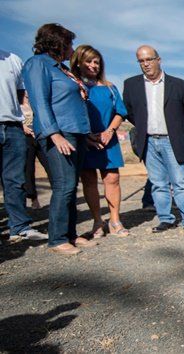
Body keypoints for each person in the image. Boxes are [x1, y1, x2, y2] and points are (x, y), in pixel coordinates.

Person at [22, 24, 95, 254]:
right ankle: (57, 239)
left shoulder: (62, 68)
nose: (72, 49)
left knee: (71, 186)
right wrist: (54, 134)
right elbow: (40, 102)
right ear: (57, 43)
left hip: (77, 132)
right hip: (60, 133)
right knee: (63, 185)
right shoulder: (37, 64)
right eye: (70, 44)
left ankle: (71, 234)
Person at [122, 45, 184, 236]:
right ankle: (166, 219)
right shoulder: (131, 85)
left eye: (149, 59)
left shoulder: (179, 85)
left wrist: (176, 129)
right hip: (148, 141)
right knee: (158, 184)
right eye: (141, 61)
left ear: (158, 59)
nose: (145, 64)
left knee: (180, 182)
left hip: (172, 141)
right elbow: (130, 112)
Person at [70, 45, 129, 238]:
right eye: (89, 61)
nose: (94, 65)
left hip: (108, 139)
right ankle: (97, 221)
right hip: (84, 140)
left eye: (97, 62)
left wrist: (110, 130)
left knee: (112, 178)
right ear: (78, 62)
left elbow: (121, 111)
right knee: (88, 180)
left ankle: (114, 220)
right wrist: (86, 136)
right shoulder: (73, 86)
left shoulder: (110, 88)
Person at [2, 48, 48, 243]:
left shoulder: (13, 59)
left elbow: (22, 93)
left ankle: (19, 227)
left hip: (13, 126)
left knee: (15, 179)